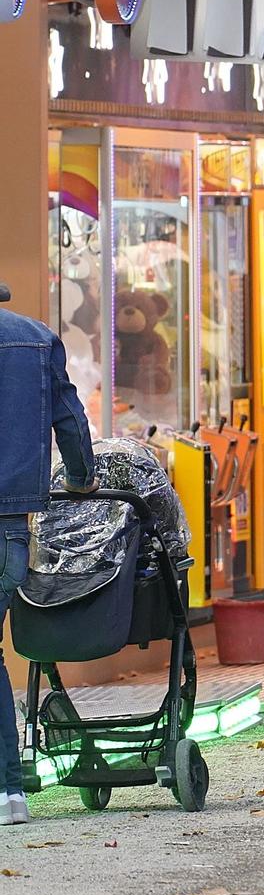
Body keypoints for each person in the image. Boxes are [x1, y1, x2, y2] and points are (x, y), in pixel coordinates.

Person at [0, 281, 96, 825]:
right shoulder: (34, 340)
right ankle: (8, 791)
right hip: (8, 527)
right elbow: (69, 419)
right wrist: (82, 479)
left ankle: (9, 787)